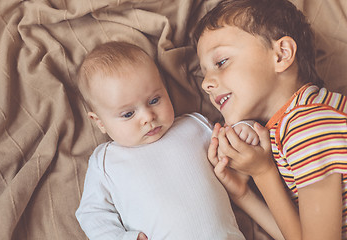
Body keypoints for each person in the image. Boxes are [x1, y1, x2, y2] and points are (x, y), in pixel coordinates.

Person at [74, 41, 282, 240]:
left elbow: (227, 142)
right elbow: (92, 213)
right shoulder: (105, 161)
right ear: (99, 122)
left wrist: (242, 129)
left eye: (154, 100)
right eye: (128, 114)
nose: (148, 117)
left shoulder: (193, 126)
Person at [194, 0, 347, 239]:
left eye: (221, 62)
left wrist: (264, 173)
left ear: (281, 54)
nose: (206, 84)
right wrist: (243, 193)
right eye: (204, 73)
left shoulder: (307, 125)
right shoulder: (296, 122)